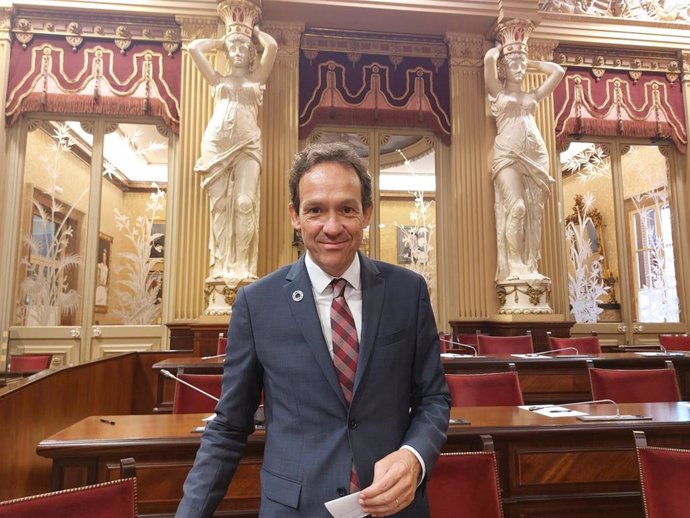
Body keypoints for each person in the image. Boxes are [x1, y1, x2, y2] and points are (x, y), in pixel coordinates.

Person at [175, 142, 450, 518]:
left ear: (366, 213)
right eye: (316, 210)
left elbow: (433, 397)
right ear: (295, 215)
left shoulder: (408, 291)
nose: (332, 227)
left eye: (347, 210)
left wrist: (413, 457)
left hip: (394, 508)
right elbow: (229, 426)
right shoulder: (257, 304)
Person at [189, 23, 277, 286]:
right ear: (226, 53)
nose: (237, 52)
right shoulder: (217, 79)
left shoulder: (257, 79)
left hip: (248, 143)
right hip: (216, 143)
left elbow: (272, 47)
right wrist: (222, 41)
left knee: (244, 203)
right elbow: (193, 48)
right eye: (233, 48)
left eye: (243, 48)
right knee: (220, 207)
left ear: (252, 54)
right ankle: (221, 268)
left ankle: (242, 267)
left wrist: (255, 34)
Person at [484, 43, 564, 282]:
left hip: (537, 155)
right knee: (517, 207)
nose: (519, 69)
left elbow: (558, 72)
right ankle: (514, 265)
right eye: (514, 65)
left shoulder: (532, 95)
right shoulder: (498, 92)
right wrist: (504, 49)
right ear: (503, 70)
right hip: (507, 154)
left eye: (522, 66)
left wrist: (531, 61)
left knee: (534, 213)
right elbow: (488, 58)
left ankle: (530, 264)